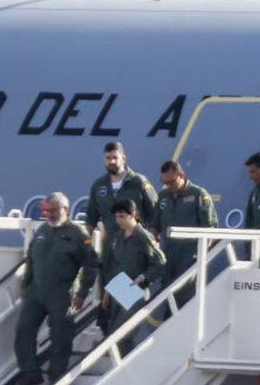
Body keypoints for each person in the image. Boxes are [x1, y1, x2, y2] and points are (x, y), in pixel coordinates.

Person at [14, 192, 98, 385]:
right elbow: (31, 259)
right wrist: (26, 284)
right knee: (23, 329)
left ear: (65, 210)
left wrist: (81, 294)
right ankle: (30, 372)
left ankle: (56, 376)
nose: (49, 214)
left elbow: (91, 264)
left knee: (61, 335)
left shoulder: (78, 235)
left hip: (63, 293)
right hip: (36, 292)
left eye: (53, 210)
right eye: (47, 210)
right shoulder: (42, 231)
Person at [87, 140, 158, 316]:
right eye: (108, 158)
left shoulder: (138, 183)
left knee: (130, 304)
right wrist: (87, 246)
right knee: (108, 304)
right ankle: (110, 336)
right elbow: (90, 220)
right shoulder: (99, 186)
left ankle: (126, 339)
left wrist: (151, 242)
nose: (111, 161)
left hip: (133, 252)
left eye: (115, 157)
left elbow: (155, 215)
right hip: (110, 254)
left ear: (124, 158)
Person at [106, 199, 167, 334]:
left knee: (123, 334)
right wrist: (108, 290)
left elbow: (160, 263)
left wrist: (143, 277)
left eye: (121, 216)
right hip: (119, 286)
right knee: (112, 331)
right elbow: (114, 264)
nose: (118, 220)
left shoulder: (143, 236)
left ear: (133, 214)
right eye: (116, 216)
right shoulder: (117, 236)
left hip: (135, 288)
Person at [155, 159, 216, 286]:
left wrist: (201, 258)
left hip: (190, 257)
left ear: (182, 175)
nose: (168, 186)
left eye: (171, 182)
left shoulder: (198, 194)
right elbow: (155, 226)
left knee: (186, 294)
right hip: (169, 256)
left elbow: (209, 229)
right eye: (165, 182)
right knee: (167, 293)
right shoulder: (163, 196)